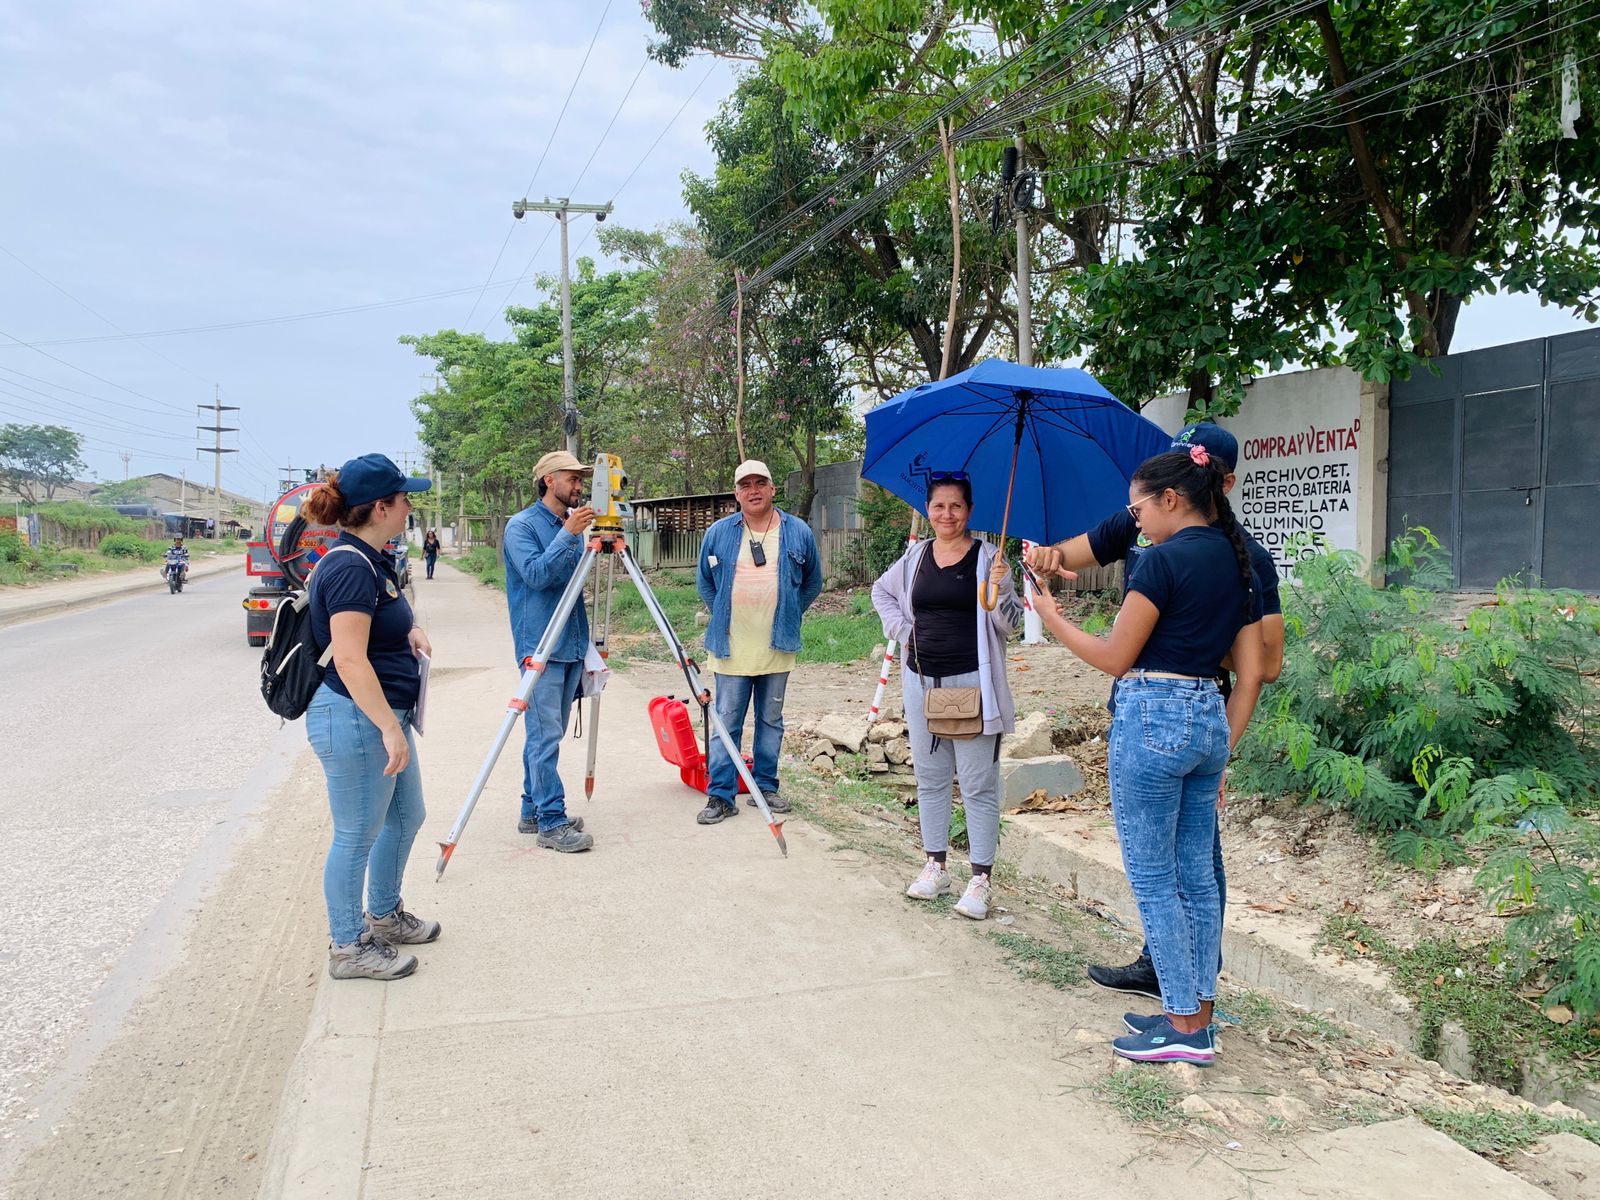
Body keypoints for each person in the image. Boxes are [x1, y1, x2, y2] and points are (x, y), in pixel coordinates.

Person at [1025, 422, 1284, 1002]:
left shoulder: (1187, 559)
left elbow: (1261, 667)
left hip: (1159, 716)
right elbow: (1071, 553)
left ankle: (1184, 1013)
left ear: (1181, 493)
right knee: (1188, 874)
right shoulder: (1223, 556)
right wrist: (1045, 558)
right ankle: (1191, 997)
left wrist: (1053, 615)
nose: (1135, 516)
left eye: (1144, 502)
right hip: (1199, 720)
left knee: (1163, 876)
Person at [302, 453, 439, 982]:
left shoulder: (370, 558)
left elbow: (376, 629)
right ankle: (347, 947)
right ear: (381, 507)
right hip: (358, 719)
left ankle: (382, 915)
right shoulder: (348, 567)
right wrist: (387, 726)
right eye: (404, 499)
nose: (409, 507)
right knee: (357, 833)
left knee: (407, 816)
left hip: (381, 715)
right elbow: (349, 657)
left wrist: (408, 633)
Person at [871, 472, 1020, 920]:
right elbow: (882, 592)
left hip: (974, 685)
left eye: (956, 506)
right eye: (939, 506)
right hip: (922, 683)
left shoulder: (989, 558)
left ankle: (980, 880)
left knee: (977, 784)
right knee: (931, 779)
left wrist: (1004, 585)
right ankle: (936, 866)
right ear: (929, 510)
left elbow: (1009, 624)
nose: (947, 514)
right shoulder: (915, 557)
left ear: (969, 511)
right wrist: (903, 630)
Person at [694, 459, 822, 825]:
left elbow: (813, 581)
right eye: (745, 485)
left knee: (770, 719)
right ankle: (720, 795)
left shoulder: (797, 531)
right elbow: (705, 581)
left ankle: (765, 786)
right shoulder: (718, 533)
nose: (753, 490)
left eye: (760, 483)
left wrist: (791, 613)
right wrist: (723, 611)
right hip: (731, 645)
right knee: (727, 720)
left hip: (777, 644)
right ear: (736, 493)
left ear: (772, 488)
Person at [502, 450, 596, 853]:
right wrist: (569, 535)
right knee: (545, 737)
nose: (578, 486)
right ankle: (552, 822)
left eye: (580, 479)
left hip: (571, 643)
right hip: (540, 646)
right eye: (571, 478)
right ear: (548, 481)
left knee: (544, 734)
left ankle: (532, 809)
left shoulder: (568, 526)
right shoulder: (521, 526)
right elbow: (537, 576)